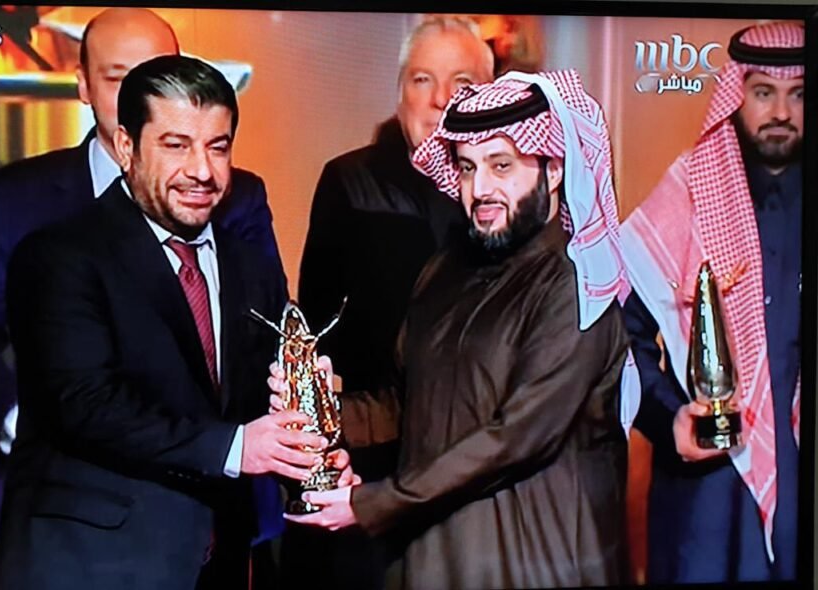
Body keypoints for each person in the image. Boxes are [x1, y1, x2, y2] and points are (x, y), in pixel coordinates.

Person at [0, 6, 282, 558]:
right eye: (120, 78)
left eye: (160, 72)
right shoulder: (26, 203)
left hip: (213, 520)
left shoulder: (237, 197)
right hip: (80, 526)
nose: (142, 93)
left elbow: (266, 337)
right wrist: (27, 424)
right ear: (84, 85)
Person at [277, 70, 638, 589]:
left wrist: (371, 503)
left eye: (501, 165)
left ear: (554, 169)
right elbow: (408, 400)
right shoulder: (445, 269)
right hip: (430, 552)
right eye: (467, 168)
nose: (480, 188)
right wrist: (319, 414)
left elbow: (516, 438)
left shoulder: (576, 284)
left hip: (536, 557)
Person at [0, 55, 334, 590]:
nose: (202, 171)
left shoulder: (250, 265)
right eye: (177, 145)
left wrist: (304, 422)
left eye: (217, 147)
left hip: (220, 563)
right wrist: (236, 448)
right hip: (93, 568)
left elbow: (253, 404)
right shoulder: (59, 256)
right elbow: (85, 404)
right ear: (126, 147)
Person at [290, 15, 494, 589]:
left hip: (479, 462)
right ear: (400, 90)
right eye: (422, 80)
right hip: (371, 462)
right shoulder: (349, 181)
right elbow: (319, 328)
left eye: (460, 82)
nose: (439, 99)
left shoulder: (508, 197)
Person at [620, 21, 804, 583]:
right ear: (736, 93)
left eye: (799, 95)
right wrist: (668, 417)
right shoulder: (688, 193)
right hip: (707, 497)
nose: (781, 112)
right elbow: (616, 335)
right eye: (763, 92)